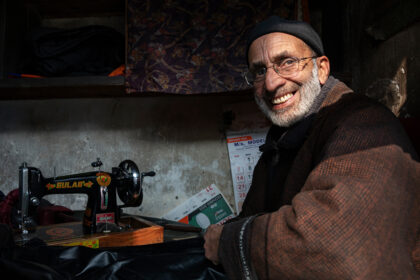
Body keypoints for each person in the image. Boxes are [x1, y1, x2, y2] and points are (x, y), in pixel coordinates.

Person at [203, 16, 420, 279]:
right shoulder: (282, 140)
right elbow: (252, 216)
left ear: (322, 69)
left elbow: (332, 244)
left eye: (287, 62)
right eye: (260, 71)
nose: (271, 84)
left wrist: (226, 242)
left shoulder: (365, 124)